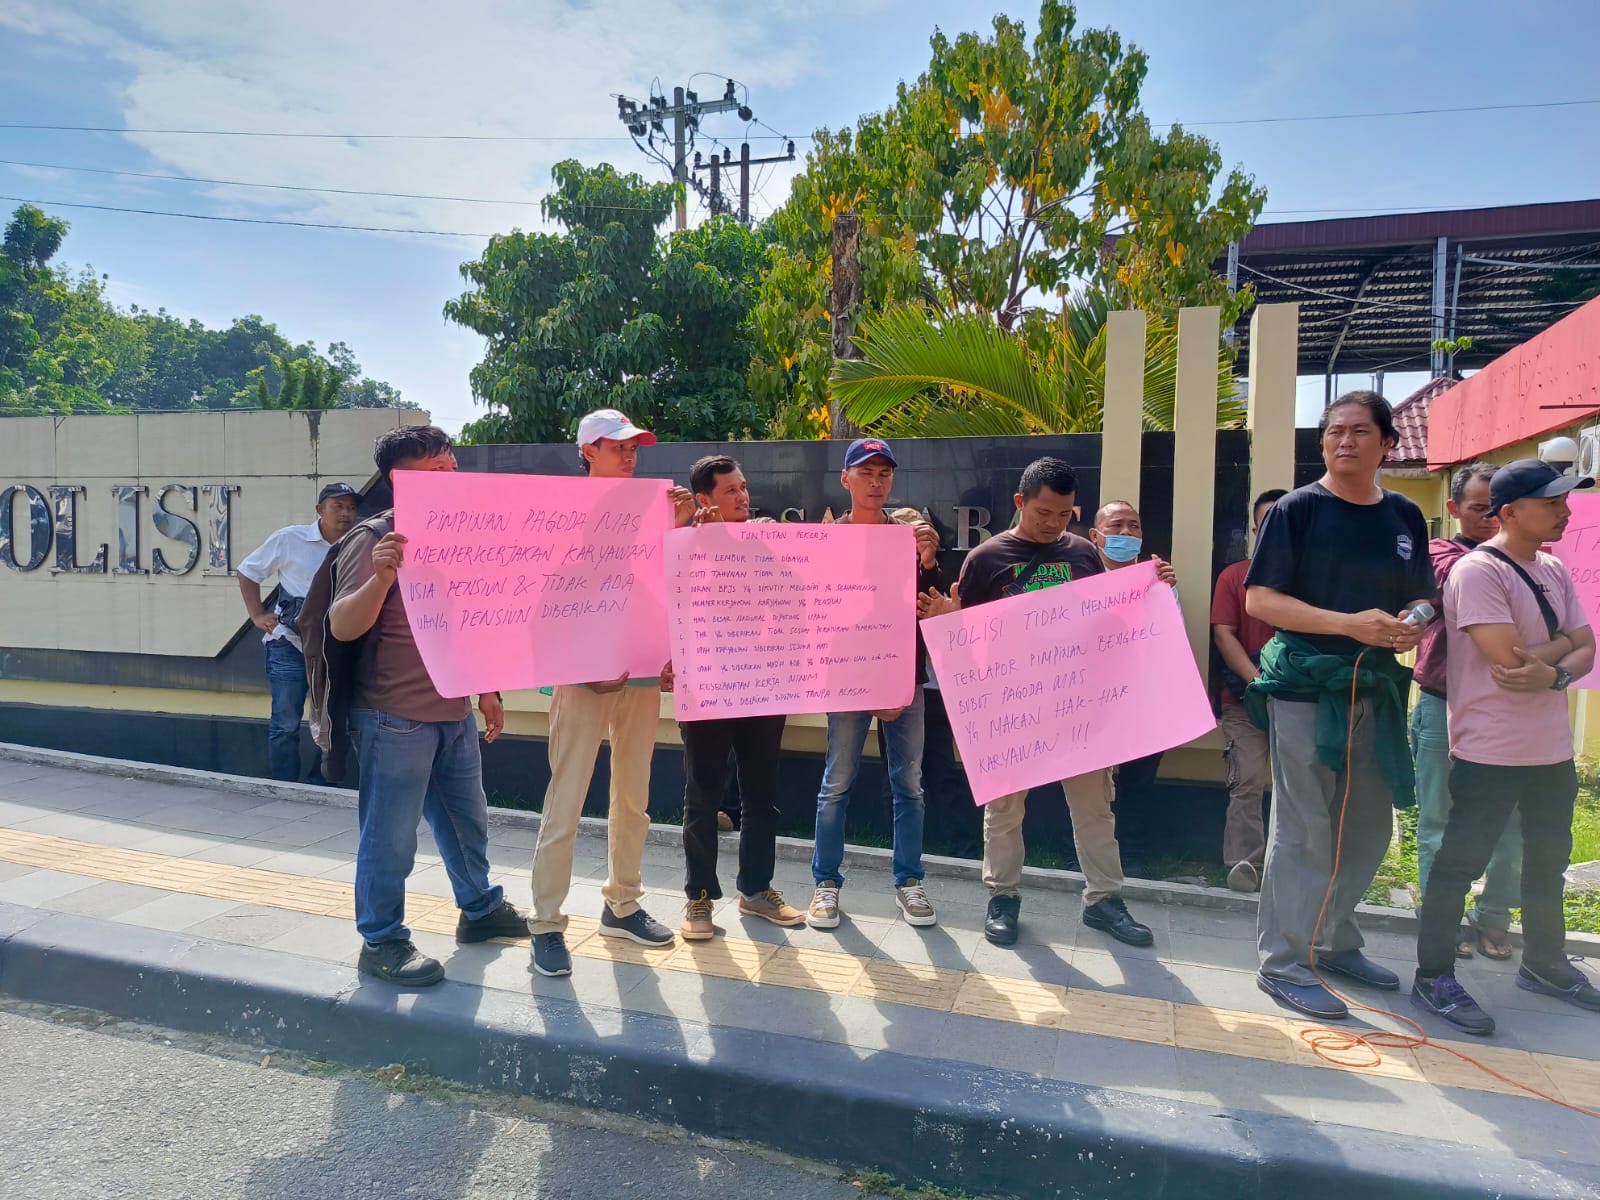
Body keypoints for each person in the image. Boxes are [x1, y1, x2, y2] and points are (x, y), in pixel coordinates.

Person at [1243, 391, 1434, 1020]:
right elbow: (1261, 600)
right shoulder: (1297, 509)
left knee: (1367, 825)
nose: (1344, 441)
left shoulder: (1405, 515)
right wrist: (1349, 624)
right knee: (1303, 826)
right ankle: (1284, 962)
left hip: (1375, 685)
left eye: (1358, 431)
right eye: (1333, 432)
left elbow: (1425, 596)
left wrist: (1414, 619)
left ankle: (1334, 939)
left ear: (1388, 444)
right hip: (1305, 686)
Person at [926, 456, 1157, 949]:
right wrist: (950, 620)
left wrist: (1148, 598)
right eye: (1043, 513)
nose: (1054, 524)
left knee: (1095, 808)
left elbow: (1104, 623)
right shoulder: (985, 559)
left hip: (1078, 706)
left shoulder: (1084, 554)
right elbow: (968, 645)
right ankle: (1003, 897)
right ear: (1020, 503)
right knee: (1005, 809)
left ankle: (1104, 899)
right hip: (1011, 706)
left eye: (1064, 515)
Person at [327, 426, 528, 986]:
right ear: (400, 478)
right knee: (391, 837)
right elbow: (341, 625)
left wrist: (487, 688)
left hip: (453, 711)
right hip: (393, 716)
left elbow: (473, 617)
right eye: (438, 470)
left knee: (467, 821)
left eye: (453, 466)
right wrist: (381, 579)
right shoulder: (375, 537)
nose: (453, 478)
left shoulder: (460, 533)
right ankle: (381, 941)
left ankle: (480, 909)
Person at [1413, 459, 1600, 1035]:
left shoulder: (1553, 568)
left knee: (1547, 863)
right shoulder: (1477, 571)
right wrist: (1562, 651)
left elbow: (1588, 645)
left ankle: (1544, 962)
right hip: (1489, 749)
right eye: (1552, 503)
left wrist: (1556, 670)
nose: (1564, 511)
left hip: (1551, 749)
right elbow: (1507, 659)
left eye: (1564, 501)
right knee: (1458, 865)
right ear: (1511, 512)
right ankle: (1433, 975)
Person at [528, 409, 696, 978]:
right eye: (616, 445)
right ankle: (546, 923)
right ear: (588, 452)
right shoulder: (558, 515)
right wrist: (578, 667)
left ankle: (622, 903)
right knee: (566, 798)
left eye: (633, 446)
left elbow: (664, 589)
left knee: (633, 798)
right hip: (582, 679)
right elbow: (540, 600)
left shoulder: (657, 510)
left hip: (641, 673)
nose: (628, 454)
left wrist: (678, 532)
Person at [807, 438, 945, 931]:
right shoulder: (827, 539)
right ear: (846, 480)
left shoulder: (909, 538)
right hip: (846, 677)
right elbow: (815, 610)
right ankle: (826, 882)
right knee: (837, 782)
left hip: (903, 678)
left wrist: (928, 561)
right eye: (865, 473)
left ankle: (910, 881)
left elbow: (930, 607)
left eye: (884, 473)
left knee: (909, 784)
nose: (875, 482)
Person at [675, 455, 805, 939]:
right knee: (703, 795)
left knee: (761, 794)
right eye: (730, 490)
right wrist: (704, 543)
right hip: (707, 687)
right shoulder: (682, 547)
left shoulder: (764, 543)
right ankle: (699, 898)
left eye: (744, 487)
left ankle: (756, 890)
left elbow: (791, 601)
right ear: (703, 499)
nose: (743, 497)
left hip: (762, 685)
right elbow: (673, 605)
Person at [1411, 463, 1523, 961]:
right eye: (1480, 508)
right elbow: (1463, 581)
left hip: (1512, 708)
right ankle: (1443, 918)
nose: (1493, 518)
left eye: (1502, 509)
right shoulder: (1442, 555)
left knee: (1514, 821)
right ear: (1454, 509)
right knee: (1438, 817)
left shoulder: (1536, 562)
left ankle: (1494, 915)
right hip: (1444, 704)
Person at [237, 482, 358, 783]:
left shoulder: (359, 542)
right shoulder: (290, 538)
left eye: (351, 507)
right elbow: (248, 570)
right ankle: (284, 786)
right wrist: (256, 615)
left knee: (332, 721)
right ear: (320, 510)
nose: (346, 513)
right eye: (338, 506)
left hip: (335, 648)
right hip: (288, 644)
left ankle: (320, 785)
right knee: (286, 722)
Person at [1087, 499, 1179, 872]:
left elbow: (1168, 642)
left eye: (1134, 526)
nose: (1126, 533)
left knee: (1138, 782)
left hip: (1142, 701)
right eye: (1116, 526)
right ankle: (1081, 856)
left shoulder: (1159, 583)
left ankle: (1134, 857)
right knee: (1089, 786)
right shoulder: (1077, 581)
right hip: (1089, 702)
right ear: (1095, 536)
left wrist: (1162, 591)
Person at [1209, 488, 1289, 893]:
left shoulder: (1312, 579)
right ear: (1256, 529)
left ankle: (1293, 869)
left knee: (1302, 786)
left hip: (1302, 702)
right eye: (1267, 522)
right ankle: (1246, 864)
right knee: (1248, 781)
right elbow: (1224, 635)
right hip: (1245, 701)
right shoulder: (1234, 577)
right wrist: (1259, 682)